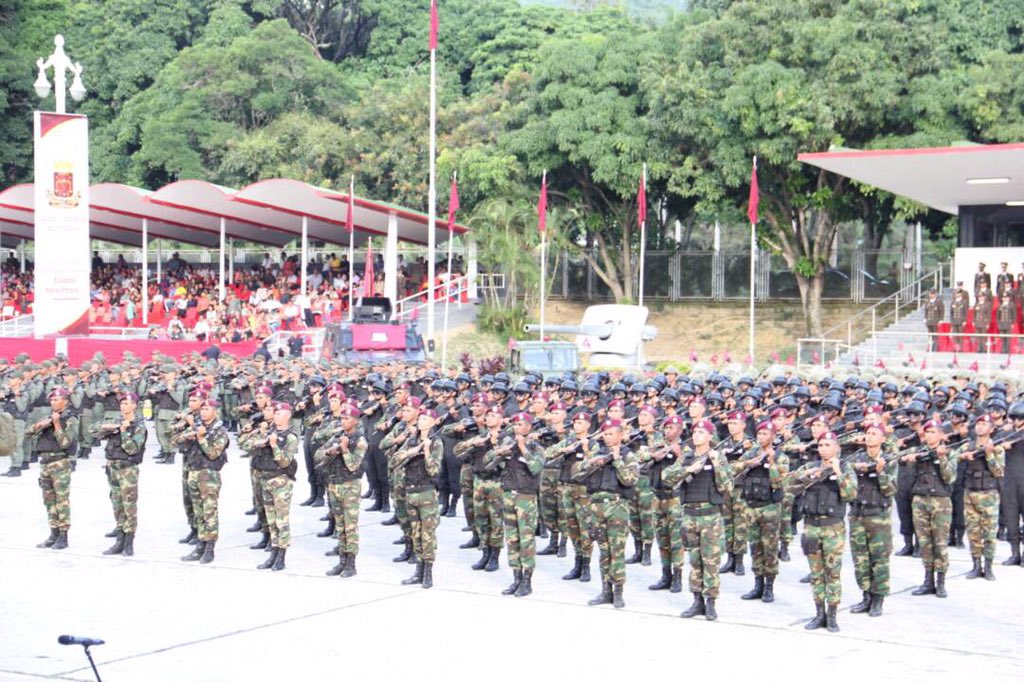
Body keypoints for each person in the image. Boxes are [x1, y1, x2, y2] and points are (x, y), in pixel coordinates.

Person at [790, 431, 856, 633]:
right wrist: (806, 475)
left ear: (837, 448)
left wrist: (838, 473)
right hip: (811, 525)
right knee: (816, 574)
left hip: (833, 527)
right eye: (821, 445)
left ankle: (833, 615)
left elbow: (851, 494)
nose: (823, 449)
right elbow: (788, 484)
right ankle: (819, 614)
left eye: (828, 445)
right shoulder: (811, 467)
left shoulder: (845, 467)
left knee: (832, 573)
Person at [669, 419, 733, 621]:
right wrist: (687, 470)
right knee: (695, 561)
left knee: (711, 561)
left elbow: (727, 487)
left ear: (710, 437)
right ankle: (697, 601)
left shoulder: (718, 457)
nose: (696, 435)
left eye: (701, 432)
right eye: (695, 432)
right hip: (690, 515)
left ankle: (711, 602)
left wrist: (715, 463)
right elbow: (667, 477)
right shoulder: (687, 458)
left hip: (710, 516)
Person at [576, 418, 639, 609]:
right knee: (604, 551)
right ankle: (605, 590)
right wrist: (591, 462)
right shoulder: (597, 452)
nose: (607, 437)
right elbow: (576, 473)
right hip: (596, 506)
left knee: (616, 551)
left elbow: (630, 479)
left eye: (611, 433)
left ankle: (618, 591)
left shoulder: (628, 455)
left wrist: (617, 459)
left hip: (617, 506)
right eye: (605, 433)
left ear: (620, 435)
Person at [486, 412, 544, 597]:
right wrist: (499, 452)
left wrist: (523, 448)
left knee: (526, 539)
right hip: (508, 495)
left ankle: (527, 581)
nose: (517, 428)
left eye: (521, 425)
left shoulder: (536, 448)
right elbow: (487, 464)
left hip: (525, 498)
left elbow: (535, 468)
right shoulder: (508, 445)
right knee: (511, 539)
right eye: (515, 425)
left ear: (529, 427)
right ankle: (516, 578)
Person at [735, 420, 788, 604]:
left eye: (766, 434)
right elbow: (734, 467)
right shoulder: (752, 452)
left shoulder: (781, 456)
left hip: (770, 508)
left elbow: (779, 483)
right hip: (751, 507)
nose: (762, 437)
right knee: (755, 547)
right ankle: (758, 584)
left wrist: (771, 462)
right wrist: (750, 462)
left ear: (773, 436)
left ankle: (769, 586)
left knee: (770, 548)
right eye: (759, 434)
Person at [847, 423, 897, 617]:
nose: (870, 437)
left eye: (874, 434)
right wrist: (855, 469)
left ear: (883, 439)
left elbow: (891, 489)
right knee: (860, 558)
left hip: (878, 516)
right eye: (867, 433)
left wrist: (881, 472)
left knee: (880, 558)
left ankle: (878, 599)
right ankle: (866, 596)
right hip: (858, 514)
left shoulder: (889, 460)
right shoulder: (856, 458)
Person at [903, 419, 956, 598]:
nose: (930, 436)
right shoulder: (919, 451)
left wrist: (941, 458)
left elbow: (949, 478)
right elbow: (900, 457)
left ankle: (940, 581)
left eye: (933, 432)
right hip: (920, 499)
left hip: (940, 501)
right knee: (925, 542)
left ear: (941, 435)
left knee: (940, 542)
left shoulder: (950, 452)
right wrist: (908, 459)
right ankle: (928, 580)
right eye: (927, 433)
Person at [394, 407, 444, 588]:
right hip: (411, 491)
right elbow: (394, 461)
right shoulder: (411, 440)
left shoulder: (436, 442)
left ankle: (428, 572)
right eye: (420, 418)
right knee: (415, 533)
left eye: (426, 419)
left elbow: (433, 470)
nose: (421, 421)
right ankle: (418, 570)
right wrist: (410, 452)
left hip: (427, 492)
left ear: (433, 422)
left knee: (427, 534)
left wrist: (427, 451)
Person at [179, 397, 229, 565]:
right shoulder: (197, 427)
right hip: (193, 471)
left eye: (207, 409)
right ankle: (200, 543)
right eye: (202, 409)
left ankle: (210, 548)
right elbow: (176, 441)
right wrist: (190, 434)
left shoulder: (219, 431)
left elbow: (213, 453)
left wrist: (201, 438)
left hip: (209, 474)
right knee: (198, 512)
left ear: (215, 411)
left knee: (209, 512)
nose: (203, 412)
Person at [319, 402, 367, 578]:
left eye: (347, 418)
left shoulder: (360, 440)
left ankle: (351, 564)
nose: (343, 421)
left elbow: (354, 465)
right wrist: (330, 451)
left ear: (355, 421)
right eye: (342, 418)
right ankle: (342, 560)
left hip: (350, 485)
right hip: (334, 484)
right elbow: (319, 453)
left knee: (350, 526)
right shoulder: (337, 436)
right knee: (340, 524)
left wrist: (345, 450)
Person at [956, 414, 1004, 581]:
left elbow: (999, 472)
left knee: (989, 533)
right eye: (978, 423)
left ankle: (988, 567)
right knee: (973, 532)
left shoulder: (997, 448)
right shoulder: (968, 445)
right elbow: (951, 457)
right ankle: (976, 565)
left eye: (984, 424)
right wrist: (962, 456)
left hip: (989, 494)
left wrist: (989, 455)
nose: (980, 427)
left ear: (991, 429)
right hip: (970, 493)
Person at [99, 392, 147, 556]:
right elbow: (95, 431)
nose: (123, 406)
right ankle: (119, 538)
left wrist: (124, 432)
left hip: (127, 468)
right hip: (112, 466)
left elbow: (133, 448)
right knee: (117, 504)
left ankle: (128, 541)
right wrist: (108, 428)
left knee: (129, 506)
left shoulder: (139, 426)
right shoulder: (116, 421)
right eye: (122, 404)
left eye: (127, 403)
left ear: (134, 405)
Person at [642, 414, 686, 592]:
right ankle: (665, 574)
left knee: (676, 539)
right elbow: (640, 456)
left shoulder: (687, 447)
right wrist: (654, 455)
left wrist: (679, 454)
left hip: (674, 497)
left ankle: (677, 577)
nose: (669, 431)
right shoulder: (659, 446)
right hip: (657, 496)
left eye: (672, 428)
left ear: (680, 430)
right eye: (667, 428)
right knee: (662, 538)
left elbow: (692, 466)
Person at [32, 387, 79, 550]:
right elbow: (28, 432)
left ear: (65, 401)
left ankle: (63, 535)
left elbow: (65, 442)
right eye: (51, 400)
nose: (53, 402)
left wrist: (57, 423)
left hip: (60, 462)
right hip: (45, 462)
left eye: (57, 399)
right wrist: (40, 425)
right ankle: (53, 533)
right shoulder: (48, 416)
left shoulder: (70, 419)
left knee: (61, 500)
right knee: (48, 500)